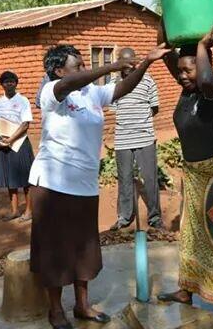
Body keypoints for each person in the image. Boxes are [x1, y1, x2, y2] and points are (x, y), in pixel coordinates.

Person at [29, 43, 170, 329]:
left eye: (84, 64)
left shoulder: (92, 93)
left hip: (84, 184)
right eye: (78, 65)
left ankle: (82, 305)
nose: (83, 69)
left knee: (83, 248)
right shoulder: (51, 92)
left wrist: (145, 62)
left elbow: (123, 88)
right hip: (53, 183)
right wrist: (111, 67)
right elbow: (71, 82)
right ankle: (56, 310)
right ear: (59, 70)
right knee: (55, 248)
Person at [156, 24, 213, 329]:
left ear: (205, 63)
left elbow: (206, 78)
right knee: (192, 234)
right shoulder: (188, 89)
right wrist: (167, 17)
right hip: (195, 174)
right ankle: (186, 291)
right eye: (181, 71)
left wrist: (202, 45)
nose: (183, 76)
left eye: (189, 70)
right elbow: (163, 47)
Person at [109, 47, 163, 231]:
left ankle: (155, 218)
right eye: (123, 61)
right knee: (124, 179)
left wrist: (141, 124)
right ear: (119, 63)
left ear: (135, 61)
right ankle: (124, 217)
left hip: (145, 138)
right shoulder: (114, 83)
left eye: (131, 61)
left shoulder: (147, 80)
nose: (127, 65)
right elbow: (115, 110)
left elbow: (154, 108)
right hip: (122, 140)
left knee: (150, 179)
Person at [0, 71, 34, 222]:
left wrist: (11, 139)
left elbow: (25, 124)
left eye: (12, 81)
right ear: (1, 84)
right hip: (4, 144)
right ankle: (14, 210)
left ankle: (28, 211)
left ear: (16, 83)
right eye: (6, 81)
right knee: (10, 179)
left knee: (26, 179)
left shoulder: (23, 100)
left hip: (20, 143)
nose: (9, 83)